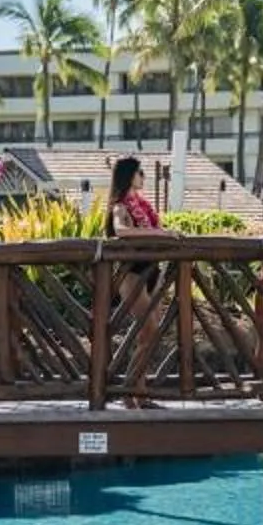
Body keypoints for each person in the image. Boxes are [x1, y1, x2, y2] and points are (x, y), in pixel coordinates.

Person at [106, 158, 167, 407]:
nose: (143, 176)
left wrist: (164, 233)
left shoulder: (144, 206)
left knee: (148, 336)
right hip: (132, 275)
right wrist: (157, 233)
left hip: (153, 271)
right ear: (130, 175)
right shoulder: (120, 206)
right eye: (140, 172)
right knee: (150, 330)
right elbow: (120, 230)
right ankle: (129, 390)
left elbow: (154, 230)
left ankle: (138, 393)